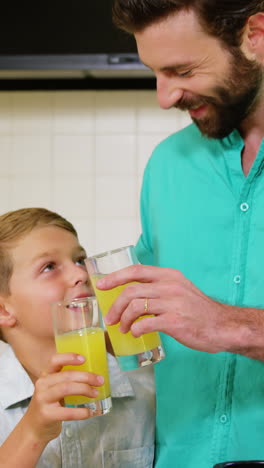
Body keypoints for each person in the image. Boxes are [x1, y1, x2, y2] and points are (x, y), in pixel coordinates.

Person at [95, 1, 264, 467]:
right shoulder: (168, 164)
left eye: (182, 69)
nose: (164, 97)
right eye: (155, 72)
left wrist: (232, 326)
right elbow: (140, 332)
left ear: (256, 35)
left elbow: (208, 321)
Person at [0, 207, 155, 468]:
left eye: (80, 260)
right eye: (49, 267)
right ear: (4, 310)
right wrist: (32, 432)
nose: (81, 274)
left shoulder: (146, 385)